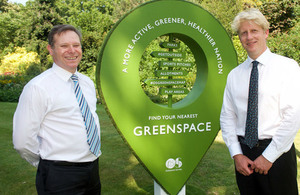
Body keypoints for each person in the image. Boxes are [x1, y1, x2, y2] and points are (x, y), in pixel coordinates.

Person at [13, 24, 101, 195]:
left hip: (93, 169)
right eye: (64, 46)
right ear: (51, 49)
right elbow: (22, 141)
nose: (72, 51)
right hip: (59, 175)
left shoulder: (86, 83)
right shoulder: (38, 87)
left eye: (76, 45)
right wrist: (47, 163)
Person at [220, 8, 300, 195]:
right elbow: (227, 117)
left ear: (266, 32)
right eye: (243, 33)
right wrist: (236, 154)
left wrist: (268, 157)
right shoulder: (234, 75)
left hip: (277, 155)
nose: (249, 37)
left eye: (254, 31)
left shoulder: (288, 67)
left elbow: (293, 116)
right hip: (244, 157)